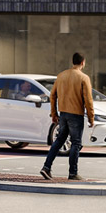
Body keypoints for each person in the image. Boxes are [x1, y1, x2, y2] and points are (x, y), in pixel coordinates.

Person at [41, 52, 97, 181]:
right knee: (76, 143)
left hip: (63, 113)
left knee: (59, 140)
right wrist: (91, 117)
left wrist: (54, 113)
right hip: (76, 114)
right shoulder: (84, 78)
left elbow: (53, 95)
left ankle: (46, 167)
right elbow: (88, 100)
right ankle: (73, 173)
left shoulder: (61, 76)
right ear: (83, 62)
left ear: (73, 62)